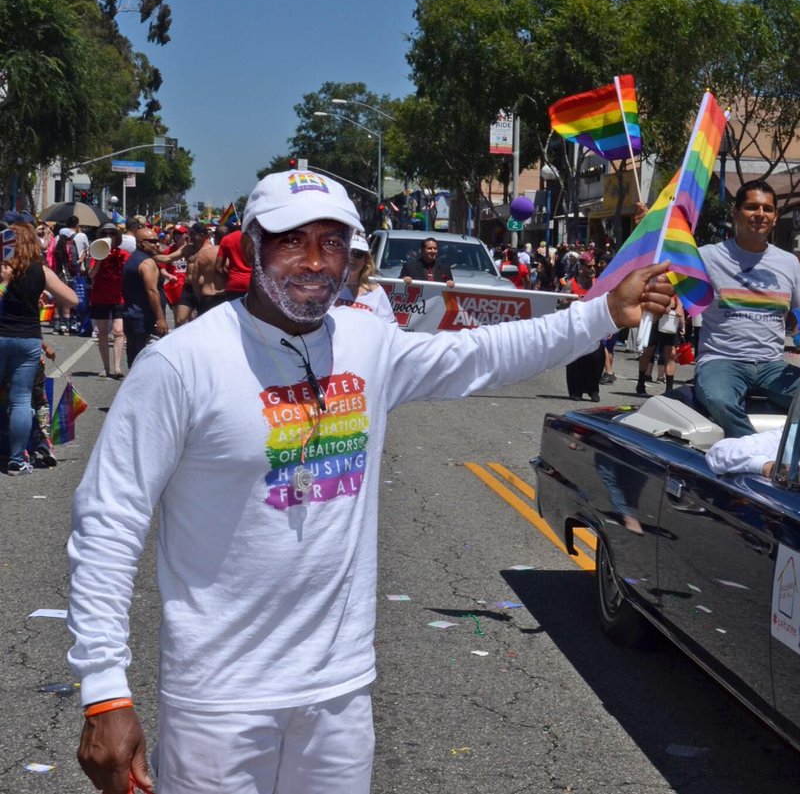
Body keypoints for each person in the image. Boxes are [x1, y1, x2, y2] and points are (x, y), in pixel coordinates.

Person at [66, 169, 673, 794]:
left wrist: (602, 314)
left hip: (339, 693)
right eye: (291, 241)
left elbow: (483, 354)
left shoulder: (366, 342)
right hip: (219, 700)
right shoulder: (181, 363)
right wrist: (105, 692)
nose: (313, 262)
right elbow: (109, 522)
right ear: (251, 246)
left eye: (332, 244)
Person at [695, 181, 800, 438]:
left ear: (775, 217)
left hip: (772, 364)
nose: (760, 214)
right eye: (751, 207)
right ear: (735, 213)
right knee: (721, 402)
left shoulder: (789, 262)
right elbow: (662, 270)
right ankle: (758, 451)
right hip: (721, 361)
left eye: (767, 209)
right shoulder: (706, 256)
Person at [0, 222, 79, 474]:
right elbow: (72, 299)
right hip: (28, 340)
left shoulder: (3, 268)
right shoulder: (40, 271)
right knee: (22, 399)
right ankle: (16, 459)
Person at [121, 224, 170, 364]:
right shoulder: (147, 263)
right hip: (146, 319)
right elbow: (151, 290)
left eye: (157, 241)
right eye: (152, 241)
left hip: (131, 316)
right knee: (149, 362)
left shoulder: (132, 260)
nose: (156, 244)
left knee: (135, 361)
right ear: (141, 243)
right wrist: (160, 318)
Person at [88, 222, 129, 379]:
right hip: (100, 297)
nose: (108, 236)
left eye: (111, 234)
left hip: (118, 297)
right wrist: (98, 258)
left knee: (119, 331)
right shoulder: (96, 252)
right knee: (103, 332)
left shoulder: (123, 254)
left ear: (116, 237)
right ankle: (106, 367)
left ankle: (117, 367)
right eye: (105, 233)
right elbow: (91, 275)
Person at [563, 251, 604, 401]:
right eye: (589, 266)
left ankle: (593, 389)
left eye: (594, 266)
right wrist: (566, 302)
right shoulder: (570, 284)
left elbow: (606, 304)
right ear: (581, 268)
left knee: (597, 359)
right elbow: (559, 303)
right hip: (576, 328)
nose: (593, 269)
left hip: (594, 328)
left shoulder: (599, 285)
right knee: (576, 360)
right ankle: (576, 391)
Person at [333, 233, 395, 323]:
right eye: (348, 252)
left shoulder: (376, 292)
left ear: (365, 261)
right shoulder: (328, 288)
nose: (351, 257)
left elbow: (389, 326)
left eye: (357, 254)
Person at [636, 293, 684, 395]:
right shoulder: (658, 278)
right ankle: (641, 382)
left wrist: (682, 322)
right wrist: (661, 305)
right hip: (656, 317)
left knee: (671, 354)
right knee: (648, 352)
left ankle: (669, 389)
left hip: (671, 319)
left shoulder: (678, 279)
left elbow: (680, 295)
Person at [215, 224, 252, 301]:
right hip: (253, 285)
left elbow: (218, 267)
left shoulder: (227, 239)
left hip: (234, 284)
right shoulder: (256, 238)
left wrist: (229, 275)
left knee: (234, 312)